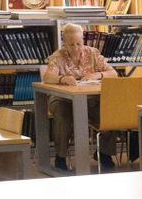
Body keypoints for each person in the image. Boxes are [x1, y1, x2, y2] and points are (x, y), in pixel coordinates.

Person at [43, 22, 118, 171]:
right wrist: (62, 79)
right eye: (71, 45)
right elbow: (47, 76)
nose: (76, 48)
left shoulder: (93, 53)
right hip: (63, 99)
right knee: (63, 115)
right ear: (64, 43)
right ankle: (60, 157)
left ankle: (104, 153)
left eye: (79, 43)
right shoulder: (57, 56)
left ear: (83, 41)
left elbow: (113, 73)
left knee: (112, 111)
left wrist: (98, 74)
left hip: (90, 99)